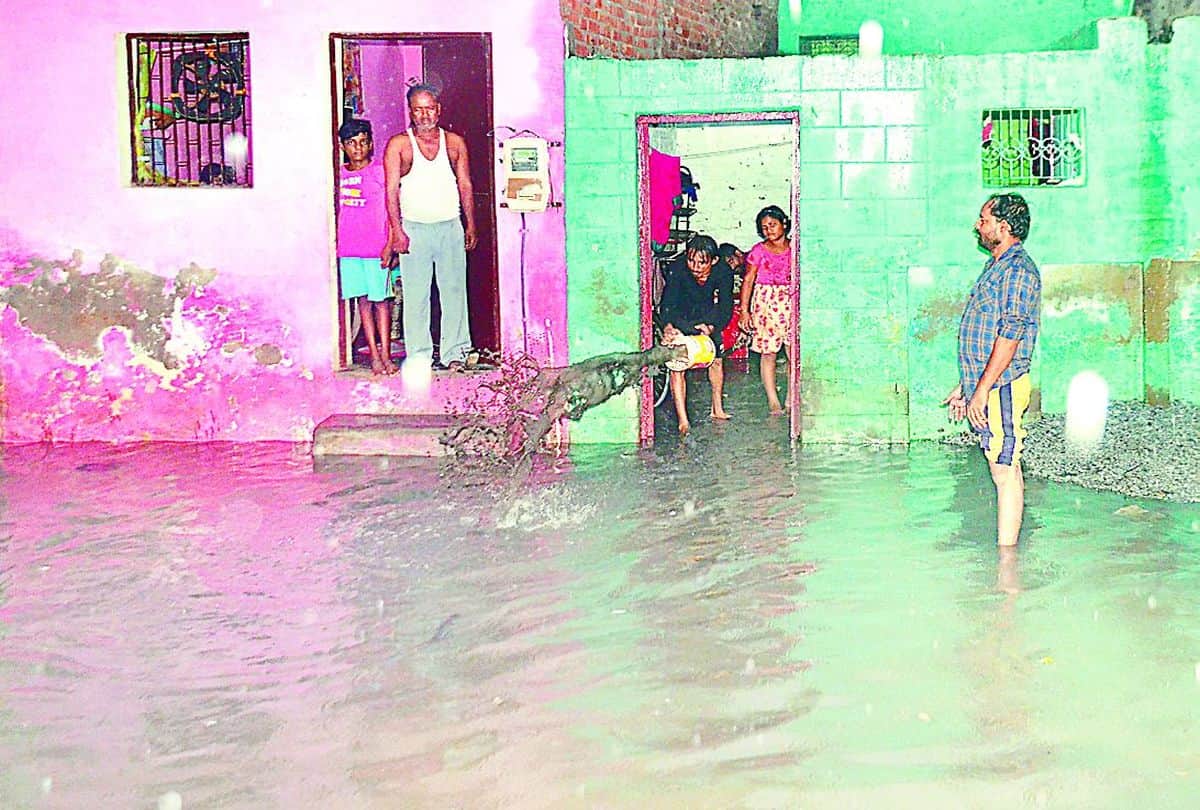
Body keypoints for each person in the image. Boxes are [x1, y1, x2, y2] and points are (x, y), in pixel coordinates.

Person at [943, 194, 1041, 547]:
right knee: (1003, 462)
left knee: (1004, 468)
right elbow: (985, 331)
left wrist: (982, 389)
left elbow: (1010, 334)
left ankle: (1007, 564)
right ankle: (1009, 550)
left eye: (983, 219)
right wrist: (966, 385)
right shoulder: (998, 266)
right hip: (988, 383)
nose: (977, 226)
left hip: (1002, 385)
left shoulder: (1017, 270)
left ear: (1004, 226)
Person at [383, 84, 477, 372]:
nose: (425, 114)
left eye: (430, 108)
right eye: (418, 109)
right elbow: (390, 191)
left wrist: (470, 223)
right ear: (410, 112)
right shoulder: (399, 145)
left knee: (453, 292)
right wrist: (397, 231)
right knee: (416, 296)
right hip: (415, 230)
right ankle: (420, 356)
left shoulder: (455, 143)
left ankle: (455, 354)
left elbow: (465, 184)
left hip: (450, 227)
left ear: (439, 109)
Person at [337, 118, 397, 375]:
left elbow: (393, 209)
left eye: (363, 142)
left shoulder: (380, 172)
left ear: (371, 144)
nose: (358, 148)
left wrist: (390, 244)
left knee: (381, 301)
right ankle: (373, 354)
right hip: (349, 250)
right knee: (362, 301)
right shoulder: (338, 174)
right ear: (343, 146)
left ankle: (386, 354)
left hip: (377, 249)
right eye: (352, 143)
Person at [660, 235, 734, 435]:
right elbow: (668, 303)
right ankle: (683, 420)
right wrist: (668, 326)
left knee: (716, 361)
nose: (695, 266)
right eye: (691, 260)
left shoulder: (723, 271)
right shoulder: (678, 269)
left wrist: (712, 326)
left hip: (708, 317)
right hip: (681, 318)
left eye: (702, 262)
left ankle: (717, 408)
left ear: (714, 260)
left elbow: (726, 306)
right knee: (677, 366)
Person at [739, 205, 796, 415]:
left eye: (772, 225)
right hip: (766, 304)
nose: (768, 230)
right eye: (764, 227)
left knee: (794, 353)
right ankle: (773, 400)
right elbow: (748, 280)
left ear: (784, 224)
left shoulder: (796, 249)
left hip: (791, 303)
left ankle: (791, 396)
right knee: (768, 353)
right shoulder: (758, 251)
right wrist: (744, 311)